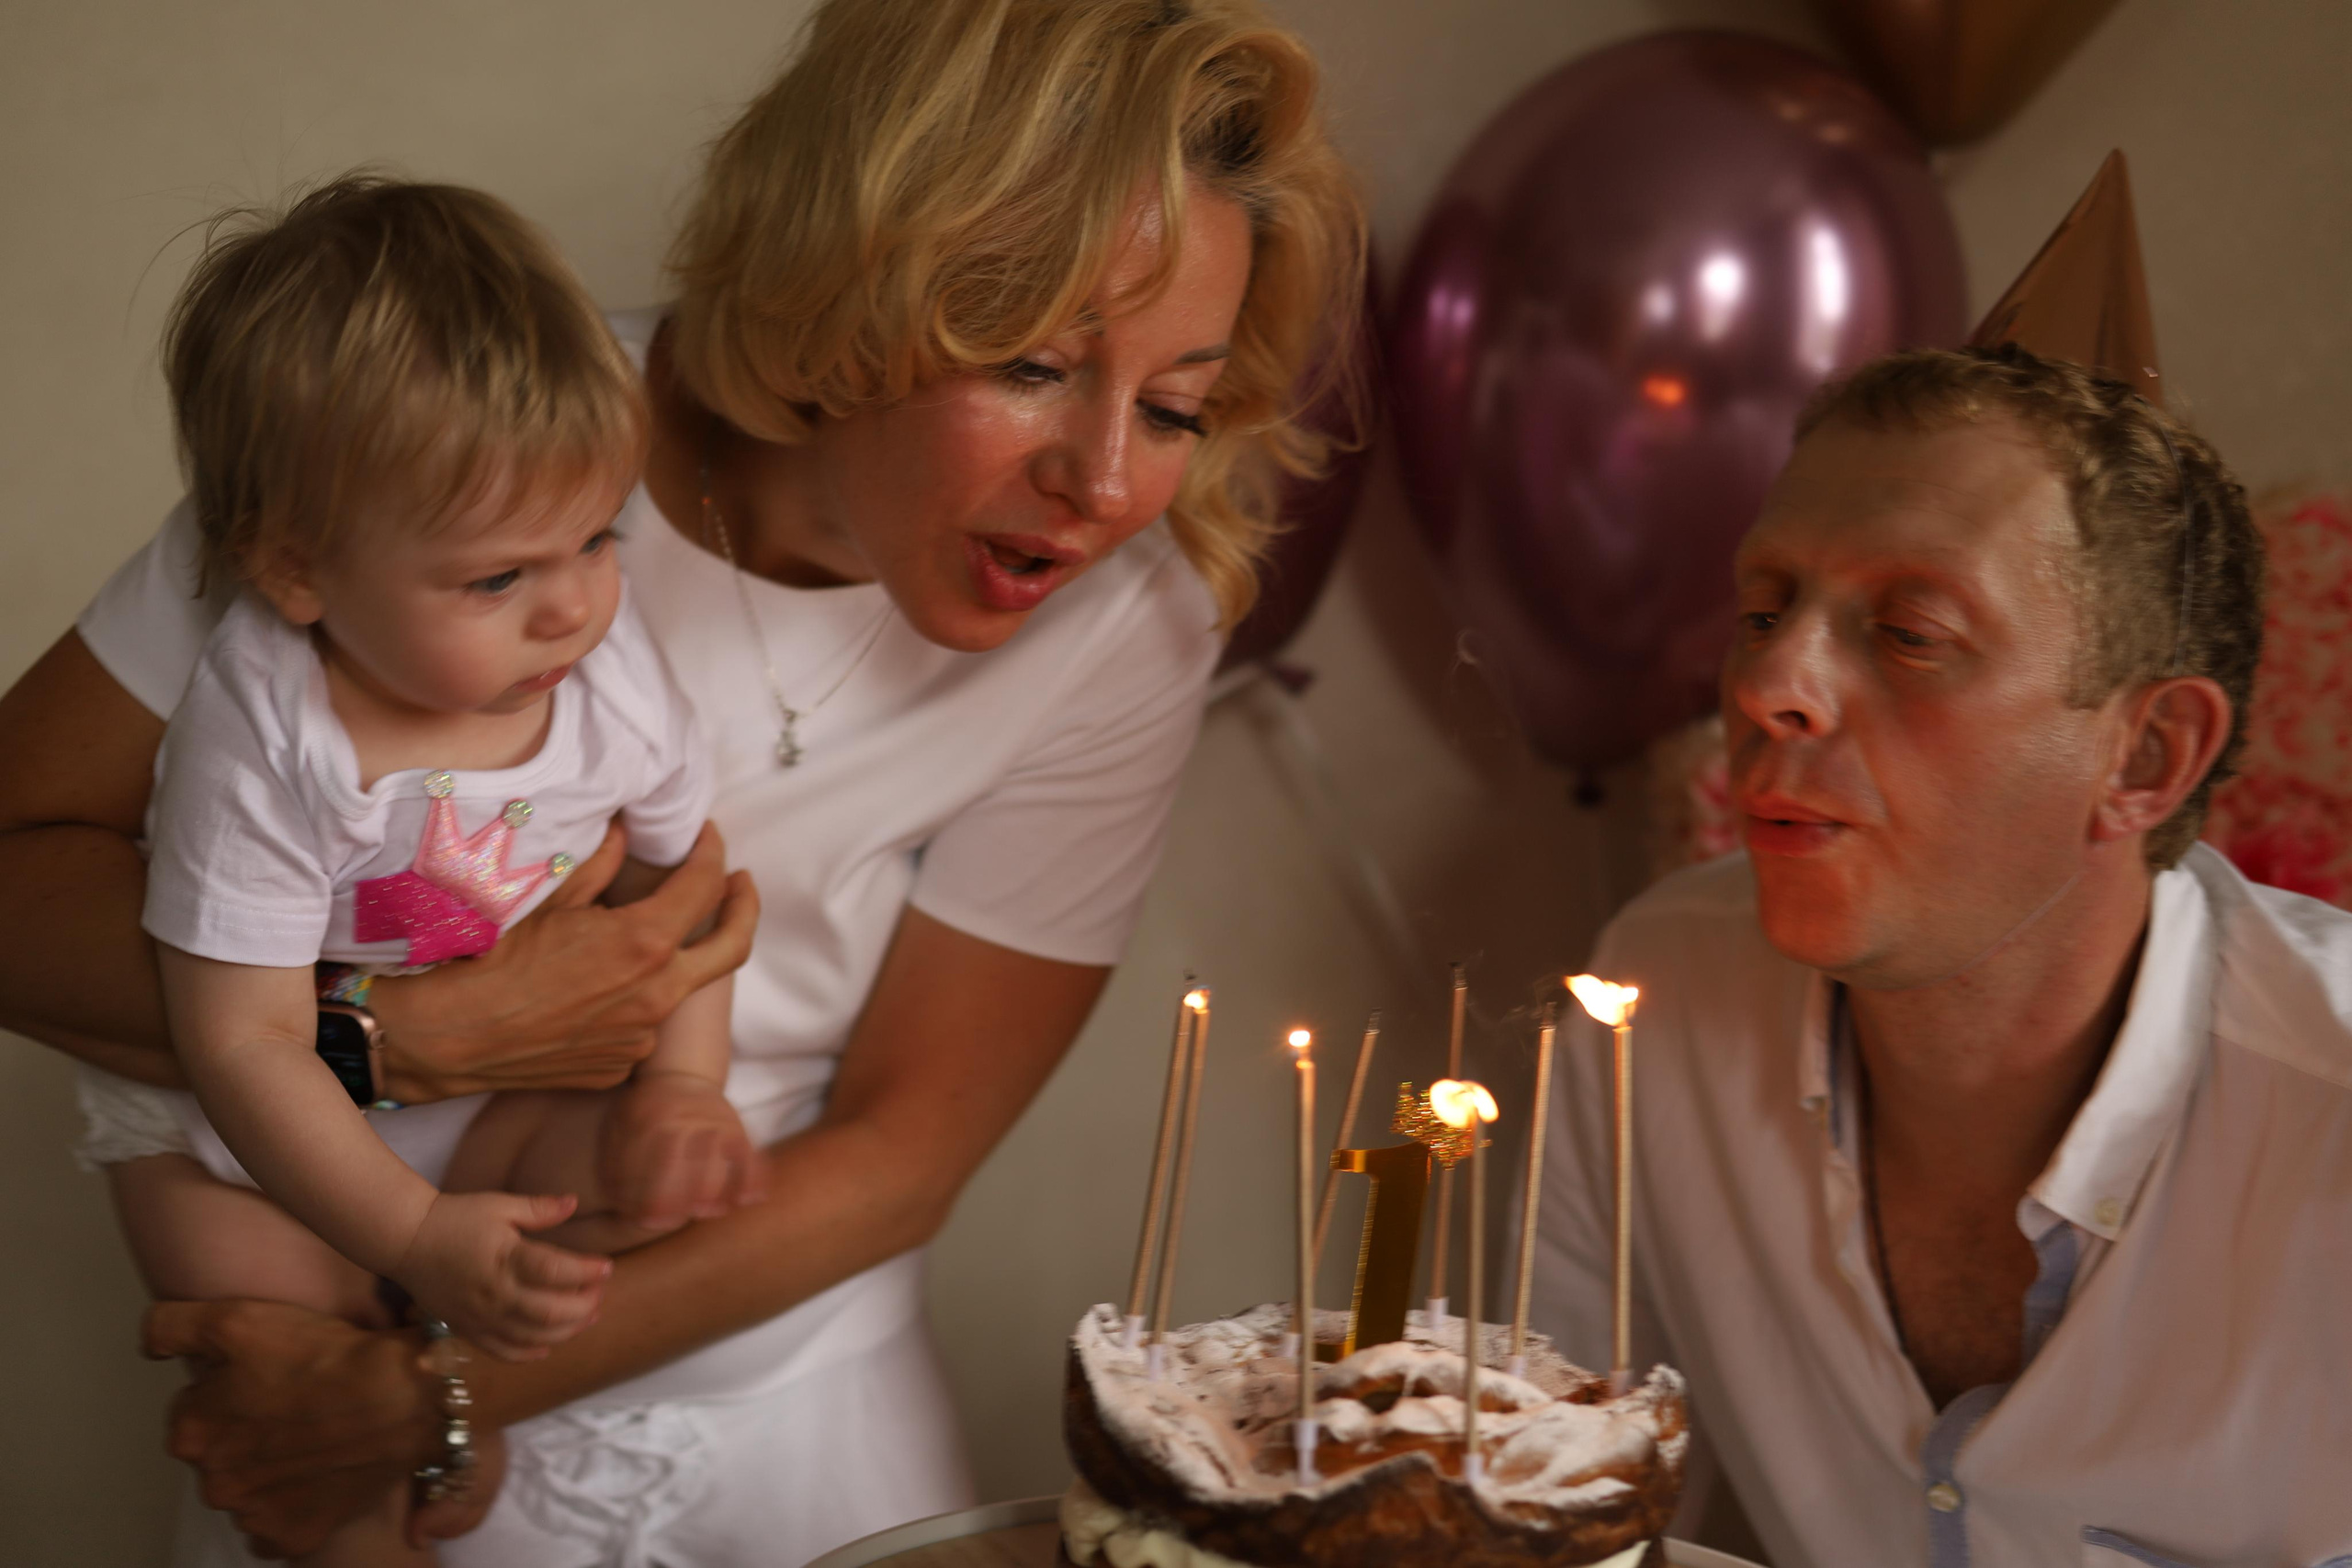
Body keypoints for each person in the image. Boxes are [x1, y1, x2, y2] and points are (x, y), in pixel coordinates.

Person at [0, 1, 1364, 1562]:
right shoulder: (443, 442)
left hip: (768, 1393)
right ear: (851, 285)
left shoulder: (1129, 621)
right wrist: (407, 1039)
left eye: (1177, 403)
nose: (1108, 481)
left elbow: (901, 1153)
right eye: (1037, 364)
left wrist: (424, 1394)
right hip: (310, 1343)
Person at [1533, 344, 2352, 1568]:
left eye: (1909, 632)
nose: (1769, 683)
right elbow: (1556, 1512)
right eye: (1765, 609)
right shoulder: (1656, 992)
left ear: (2144, 757)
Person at [97, 174, 771, 1564]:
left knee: (643, 1187)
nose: (574, 603)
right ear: (297, 572)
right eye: (495, 579)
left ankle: (452, 1386)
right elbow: (245, 1044)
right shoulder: (269, 734)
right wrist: (409, 1232)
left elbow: (678, 889)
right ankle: (378, 1475)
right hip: (239, 1141)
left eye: (597, 538)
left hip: (495, 1104)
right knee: (303, 1406)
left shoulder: (604, 673)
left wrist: (689, 1085)